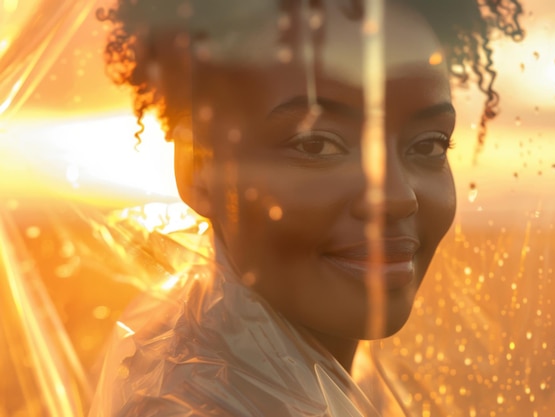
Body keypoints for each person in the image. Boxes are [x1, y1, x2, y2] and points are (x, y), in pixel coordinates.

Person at [89, 1, 523, 415]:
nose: (396, 195)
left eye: (428, 144)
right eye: (316, 144)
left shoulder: (305, 382)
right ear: (200, 166)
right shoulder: (196, 404)